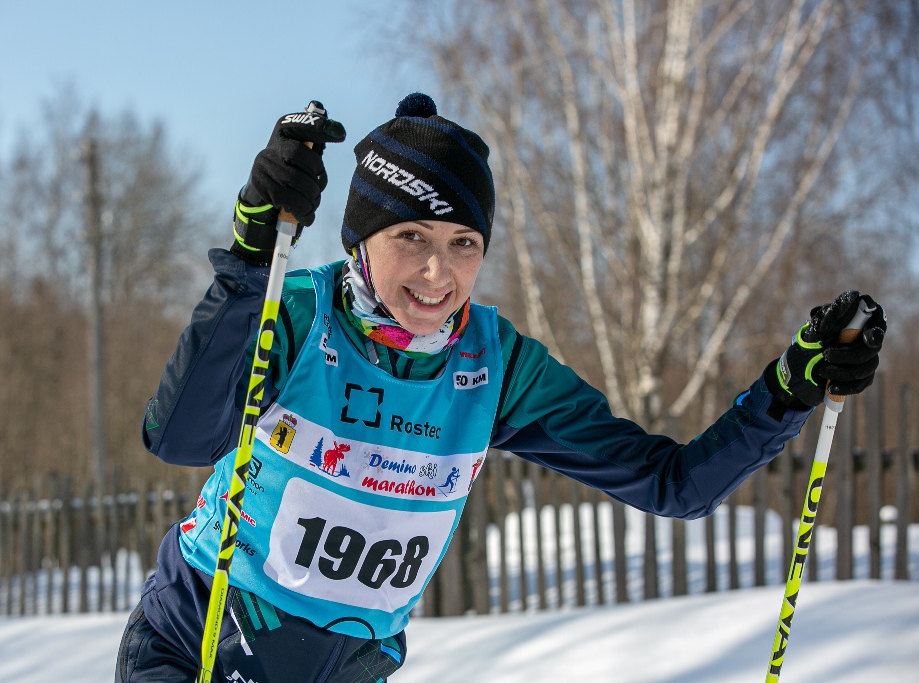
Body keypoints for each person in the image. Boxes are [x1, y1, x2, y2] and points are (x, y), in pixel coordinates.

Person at [115, 94, 886, 683]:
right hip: (193, 652)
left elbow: (671, 484)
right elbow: (179, 438)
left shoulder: (496, 367)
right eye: (409, 237)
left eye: (463, 244)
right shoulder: (301, 313)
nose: (436, 273)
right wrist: (252, 260)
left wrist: (787, 391)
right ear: (361, 237)